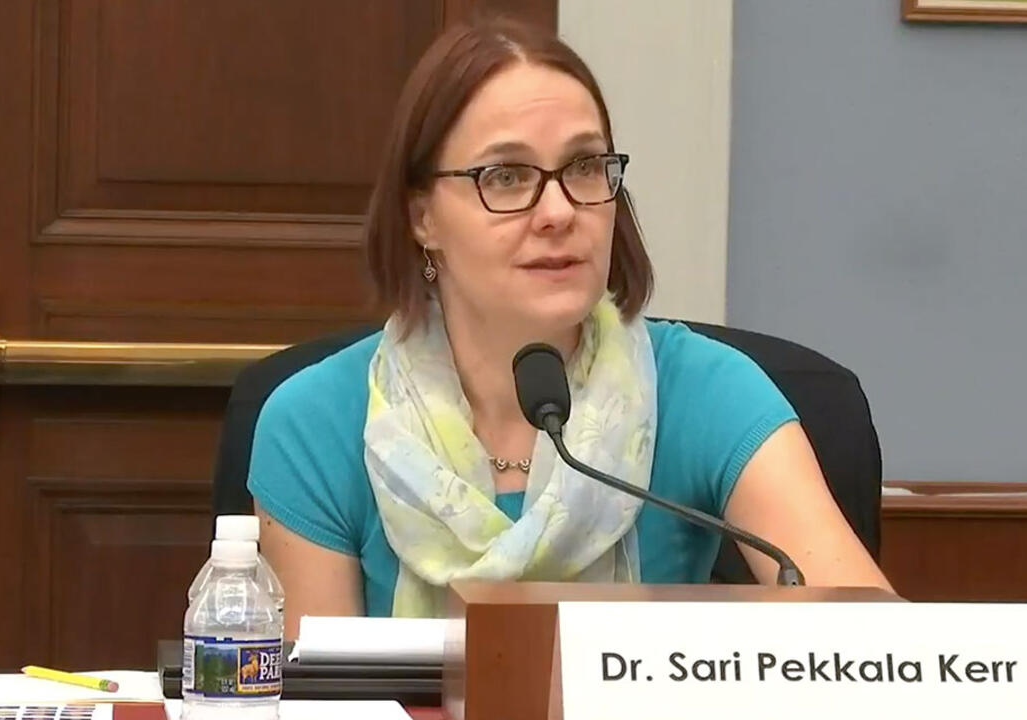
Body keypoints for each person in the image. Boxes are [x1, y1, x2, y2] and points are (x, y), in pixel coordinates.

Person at [251, 17, 891, 630]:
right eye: (506, 176)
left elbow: (877, 657)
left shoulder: (708, 390)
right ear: (421, 216)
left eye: (584, 167)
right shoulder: (316, 422)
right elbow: (316, 701)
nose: (558, 211)